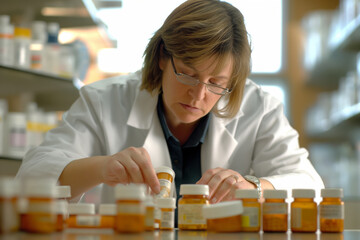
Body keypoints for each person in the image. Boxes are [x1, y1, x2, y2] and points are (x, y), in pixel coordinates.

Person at [16, 0, 324, 206]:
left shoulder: (260, 107)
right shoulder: (104, 100)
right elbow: (31, 176)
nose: (198, 95)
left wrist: (255, 188)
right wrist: (103, 167)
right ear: (163, 56)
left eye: (216, 83)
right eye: (188, 75)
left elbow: (311, 185)